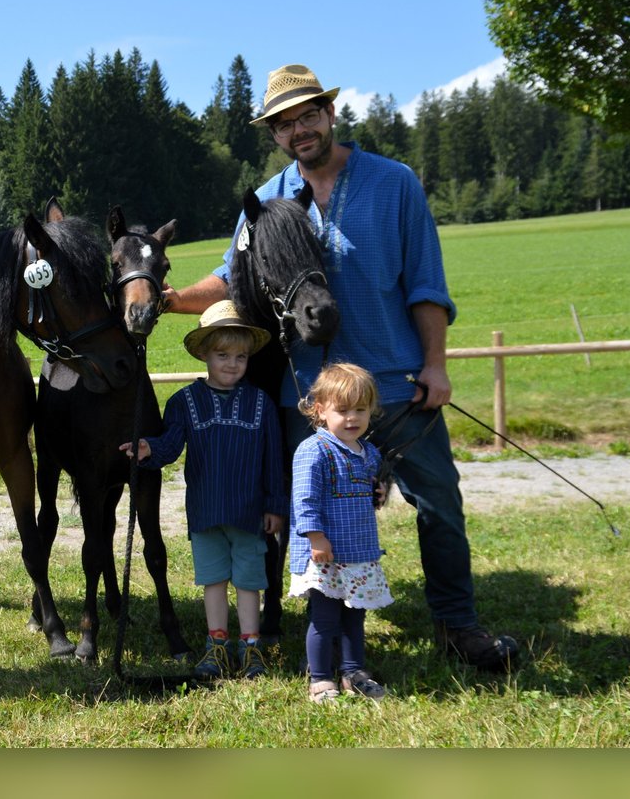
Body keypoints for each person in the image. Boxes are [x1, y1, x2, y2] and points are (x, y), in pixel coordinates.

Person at [164, 63, 518, 672]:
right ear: (274, 134)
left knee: (438, 505)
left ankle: (458, 625)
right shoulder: (267, 202)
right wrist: (167, 299)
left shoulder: (394, 183)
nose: (299, 129)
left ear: (329, 113)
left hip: (396, 384)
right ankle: (302, 631)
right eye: (284, 123)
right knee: (297, 513)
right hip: (308, 396)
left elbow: (426, 284)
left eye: (308, 115)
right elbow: (231, 279)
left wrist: (435, 365)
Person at [121, 300, 286, 680]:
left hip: (249, 514)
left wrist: (275, 505)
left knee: (248, 581)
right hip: (206, 511)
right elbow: (170, 445)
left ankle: (250, 648)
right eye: (222, 354)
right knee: (213, 580)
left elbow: (273, 460)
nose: (232, 364)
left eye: (241, 356)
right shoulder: (183, 402)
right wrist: (148, 448)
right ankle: (217, 647)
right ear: (204, 355)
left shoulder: (261, 403)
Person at [290, 363, 392, 703]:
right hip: (327, 552)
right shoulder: (314, 450)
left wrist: (376, 492)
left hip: (359, 551)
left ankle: (353, 671)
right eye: (343, 410)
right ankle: (320, 678)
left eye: (360, 410)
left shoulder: (369, 452)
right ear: (320, 411)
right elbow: (304, 498)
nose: (352, 418)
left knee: (354, 615)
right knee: (324, 618)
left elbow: (365, 487)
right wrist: (315, 538)